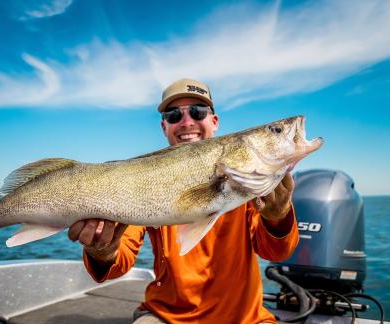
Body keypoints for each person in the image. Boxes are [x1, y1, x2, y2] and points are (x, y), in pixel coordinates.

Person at [68, 79, 299, 323]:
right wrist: (102, 249)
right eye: (174, 114)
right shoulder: (144, 178)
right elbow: (119, 262)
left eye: (198, 112)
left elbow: (275, 252)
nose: (187, 122)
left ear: (214, 121)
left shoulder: (248, 180)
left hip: (244, 318)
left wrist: (278, 216)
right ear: (163, 127)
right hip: (165, 316)